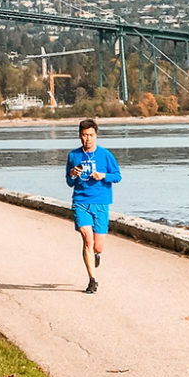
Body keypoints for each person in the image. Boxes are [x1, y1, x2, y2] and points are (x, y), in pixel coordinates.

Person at [65, 118, 121, 294]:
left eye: (90, 135)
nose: (86, 138)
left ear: (95, 135)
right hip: (80, 202)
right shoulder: (73, 156)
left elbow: (117, 176)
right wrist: (73, 174)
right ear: (79, 136)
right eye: (83, 135)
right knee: (87, 240)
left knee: (98, 246)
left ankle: (97, 255)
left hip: (101, 203)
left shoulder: (105, 155)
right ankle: (92, 280)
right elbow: (68, 181)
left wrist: (103, 176)